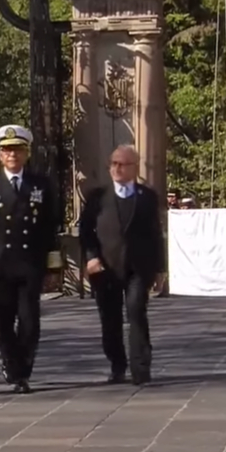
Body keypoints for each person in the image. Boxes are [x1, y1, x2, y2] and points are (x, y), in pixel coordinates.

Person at [0, 126, 64, 394]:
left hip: (30, 264)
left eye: (18, 150)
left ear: (26, 153)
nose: (12, 155)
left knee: (30, 321)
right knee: (3, 320)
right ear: (0, 155)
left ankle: (24, 367)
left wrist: (54, 266)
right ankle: (11, 363)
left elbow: (49, 227)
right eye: (7, 150)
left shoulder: (41, 184)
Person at [78, 144, 165, 386]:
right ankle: (117, 364)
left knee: (136, 311)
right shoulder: (97, 197)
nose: (116, 168)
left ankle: (141, 367)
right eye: (113, 163)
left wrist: (160, 268)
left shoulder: (146, 197)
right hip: (106, 268)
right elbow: (86, 231)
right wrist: (91, 257)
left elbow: (155, 233)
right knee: (110, 318)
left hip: (139, 267)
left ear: (134, 168)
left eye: (122, 164)